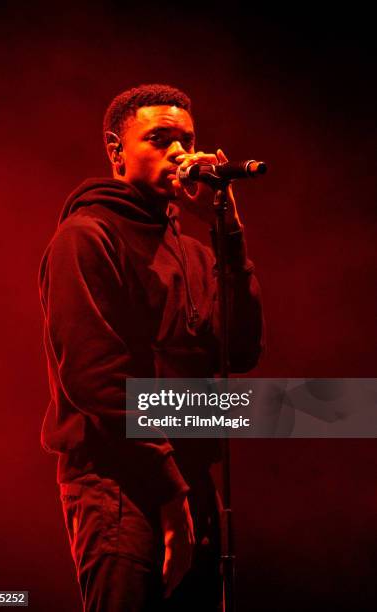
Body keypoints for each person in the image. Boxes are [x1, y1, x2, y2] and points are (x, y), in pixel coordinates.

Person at [38, 83, 264, 611]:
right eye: (159, 139)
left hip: (189, 479)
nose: (180, 153)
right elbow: (96, 382)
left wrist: (229, 238)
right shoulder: (86, 236)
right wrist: (168, 492)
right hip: (118, 484)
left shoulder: (190, 250)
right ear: (117, 152)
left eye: (187, 140)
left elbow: (241, 350)